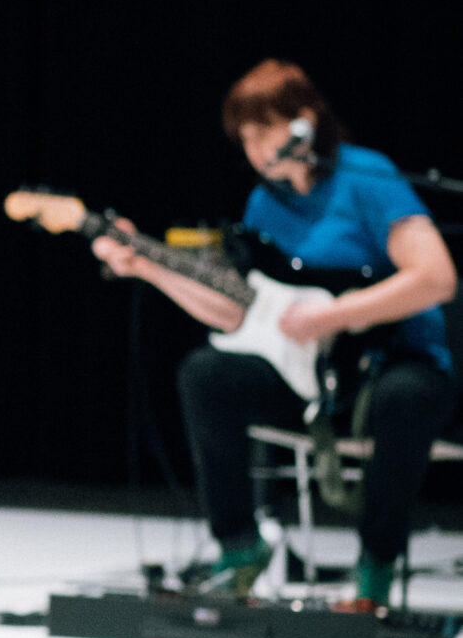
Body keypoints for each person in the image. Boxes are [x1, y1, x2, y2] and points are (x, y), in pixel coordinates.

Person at [93, 60, 456, 607]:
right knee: (206, 374)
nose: (256, 149)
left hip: (390, 361)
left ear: (304, 121)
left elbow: (436, 277)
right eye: (245, 138)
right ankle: (239, 547)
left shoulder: (366, 177)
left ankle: (375, 568)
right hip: (309, 375)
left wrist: (337, 315)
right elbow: (235, 313)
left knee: (406, 397)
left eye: (265, 131)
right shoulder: (264, 204)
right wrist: (147, 265)